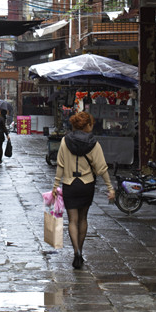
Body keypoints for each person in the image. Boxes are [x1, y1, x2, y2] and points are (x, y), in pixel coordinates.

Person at [51, 111, 115, 269]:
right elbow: (102, 168)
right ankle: (80, 249)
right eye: (91, 124)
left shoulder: (65, 141)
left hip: (69, 184)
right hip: (87, 184)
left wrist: (55, 185)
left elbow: (60, 165)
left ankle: (76, 252)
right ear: (86, 125)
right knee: (83, 219)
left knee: (72, 220)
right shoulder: (94, 143)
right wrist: (110, 187)